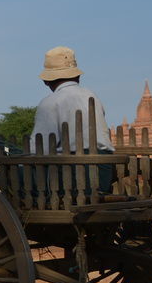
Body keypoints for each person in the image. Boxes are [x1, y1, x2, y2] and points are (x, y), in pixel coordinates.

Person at [31, 46, 115, 194]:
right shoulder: (92, 96)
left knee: (17, 174)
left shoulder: (50, 103)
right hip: (103, 176)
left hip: (72, 179)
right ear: (77, 76)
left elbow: (37, 150)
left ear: (46, 81)